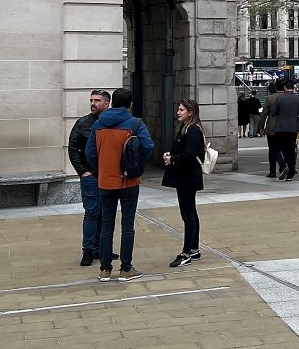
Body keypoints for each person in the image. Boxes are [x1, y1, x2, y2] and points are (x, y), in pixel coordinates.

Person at [86, 87, 155, 282]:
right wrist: (135, 163)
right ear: (129, 104)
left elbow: (90, 153)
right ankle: (125, 268)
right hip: (129, 181)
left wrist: (102, 168)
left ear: (112, 103)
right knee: (127, 226)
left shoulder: (98, 125)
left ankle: (105, 270)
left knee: (107, 226)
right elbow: (148, 147)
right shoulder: (135, 123)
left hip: (105, 181)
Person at [67, 89, 111, 264]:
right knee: (92, 212)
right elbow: (73, 148)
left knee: (105, 213)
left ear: (107, 103)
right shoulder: (83, 123)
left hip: (108, 175)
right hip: (91, 175)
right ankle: (88, 249)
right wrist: (83, 171)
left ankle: (101, 248)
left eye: (97, 100)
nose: (93, 103)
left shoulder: (112, 122)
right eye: (91, 100)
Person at [161, 99, 206, 267]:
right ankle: (194, 249)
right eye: (178, 109)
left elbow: (190, 154)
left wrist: (172, 159)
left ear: (190, 112)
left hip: (187, 177)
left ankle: (186, 253)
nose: (178, 112)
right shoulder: (185, 129)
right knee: (190, 212)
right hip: (185, 176)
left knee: (188, 215)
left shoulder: (192, 130)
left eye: (181, 110)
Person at [271, 80, 299, 182]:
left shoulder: (279, 98)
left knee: (278, 148)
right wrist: (297, 122)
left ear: (285, 88)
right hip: (293, 127)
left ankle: (284, 164)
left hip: (280, 127)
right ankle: (290, 173)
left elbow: (273, 113)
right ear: (293, 88)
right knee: (291, 149)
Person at [257, 82, 282, 178]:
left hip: (272, 127)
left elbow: (264, 114)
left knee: (272, 149)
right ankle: (285, 166)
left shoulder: (270, 98)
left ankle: (273, 170)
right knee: (284, 148)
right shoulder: (287, 98)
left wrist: (261, 127)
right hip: (285, 128)